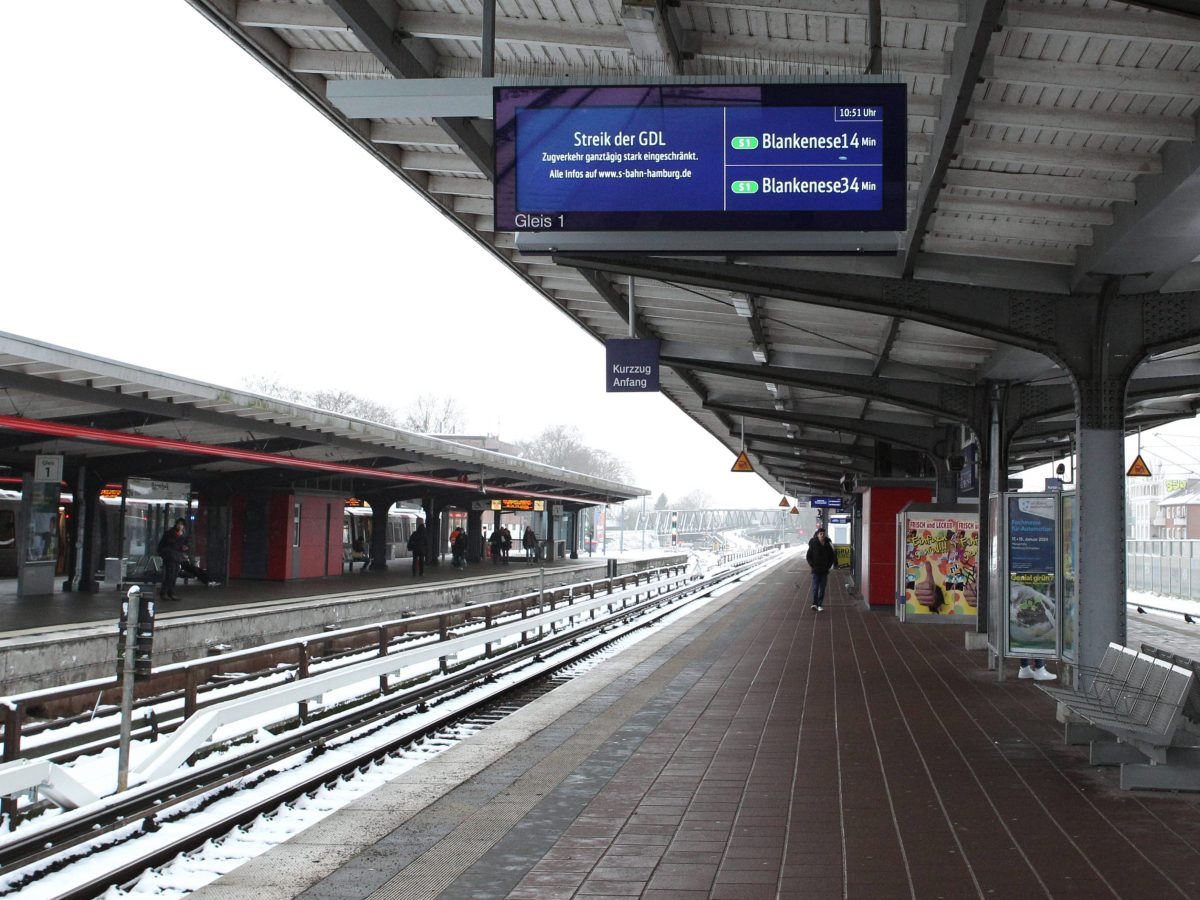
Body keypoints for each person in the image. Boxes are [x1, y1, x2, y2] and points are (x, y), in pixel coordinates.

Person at [157, 518, 189, 601]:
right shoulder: (169, 534)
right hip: (169, 556)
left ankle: (170, 592)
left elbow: (186, 545)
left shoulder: (184, 535)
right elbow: (162, 545)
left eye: (181, 524)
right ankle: (165, 592)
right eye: (179, 524)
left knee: (174, 575)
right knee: (169, 575)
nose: (180, 526)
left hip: (177, 557)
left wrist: (184, 548)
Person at [806, 526, 836, 612]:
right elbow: (808, 556)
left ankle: (820, 604)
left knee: (822, 588)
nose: (822, 535)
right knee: (815, 588)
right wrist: (812, 565)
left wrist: (829, 566)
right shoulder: (814, 544)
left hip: (824, 571)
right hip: (816, 570)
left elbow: (832, 556)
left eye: (823, 534)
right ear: (818, 535)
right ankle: (814, 604)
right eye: (821, 534)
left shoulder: (827, 544)